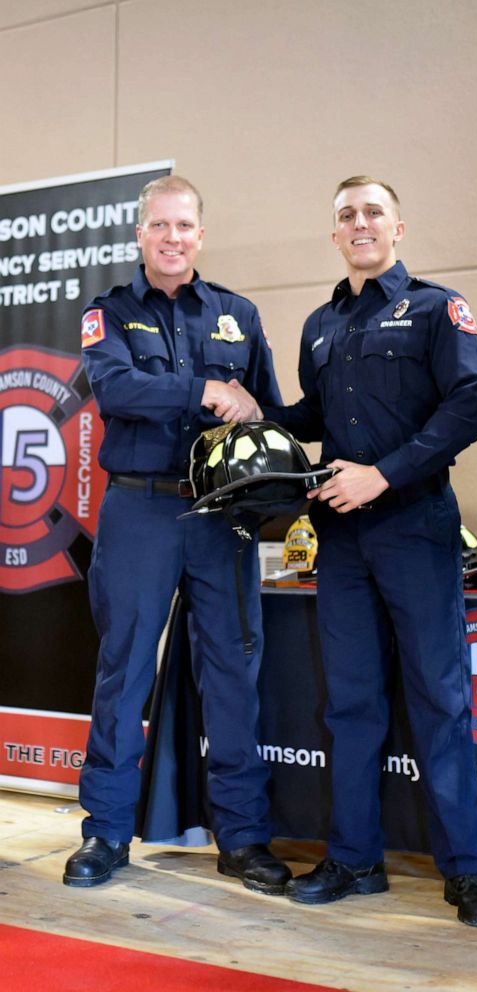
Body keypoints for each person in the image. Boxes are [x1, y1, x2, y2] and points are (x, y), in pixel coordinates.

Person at [264, 176, 477, 927]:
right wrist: (259, 415)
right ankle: (354, 858)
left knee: (440, 697)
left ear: (398, 226)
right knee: (352, 703)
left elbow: (468, 404)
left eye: (372, 212)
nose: (359, 224)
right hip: (339, 540)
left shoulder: (438, 309)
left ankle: (467, 873)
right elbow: (315, 414)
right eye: (346, 216)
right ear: (335, 234)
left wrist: (383, 475)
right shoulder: (318, 325)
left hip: (417, 526)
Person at [66, 175, 291, 896]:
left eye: (184, 226)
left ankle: (244, 838)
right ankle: (103, 833)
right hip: (139, 513)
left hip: (221, 517)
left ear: (201, 232)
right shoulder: (108, 313)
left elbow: (268, 413)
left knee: (232, 673)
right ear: (140, 234)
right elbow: (117, 390)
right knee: (124, 670)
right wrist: (203, 390)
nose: (172, 238)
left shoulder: (238, 314)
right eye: (159, 226)